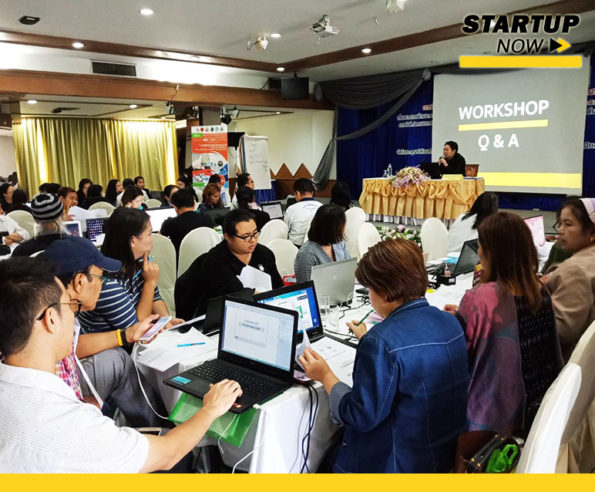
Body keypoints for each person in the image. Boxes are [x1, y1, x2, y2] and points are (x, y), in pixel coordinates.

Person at [0, 256, 241, 472]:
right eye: (68, 306)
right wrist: (211, 408)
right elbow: (167, 455)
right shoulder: (71, 427)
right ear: (51, 319)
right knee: (182, 459)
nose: (74, 316)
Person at [298, 239, 468, 473]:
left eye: (369, 289)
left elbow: (360, 416)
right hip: (441, 453)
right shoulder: (450, 322)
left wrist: (325, 375)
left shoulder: (380, 342)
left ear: (385, 292)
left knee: (313, 459)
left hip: (393, 463)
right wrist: (369, 340)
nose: (369, 295)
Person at [448, 212, 562, 435]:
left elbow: (459, 357)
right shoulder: (539, 290)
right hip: (540, 409)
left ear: (491, 252)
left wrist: (454, 323)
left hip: (494, 417)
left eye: (481, 246)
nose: (478, 252)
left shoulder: (480, 298)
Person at [44, 236, 169, 426]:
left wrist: (125, 335)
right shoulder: (52, 323)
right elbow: (51, 399)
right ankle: (160, 431)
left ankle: (156, 426)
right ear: (79, 282)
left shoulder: (59, 307)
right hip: (60, 413)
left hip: (61, 396)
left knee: (116, 358)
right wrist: (81, 406)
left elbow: (74, 347)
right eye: (100, 277)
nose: (103, 284)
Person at [78, 207, 182, 334]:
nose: (152, 239)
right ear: (133, 241)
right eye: (149, 234)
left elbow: (155, 298)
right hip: (110, 345)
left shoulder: (138, 262)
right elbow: (136, 328)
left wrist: (166, 322)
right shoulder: (106, 284)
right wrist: (150, 283)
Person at [175, 209, 283, 319]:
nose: (252, 240)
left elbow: (278, 287)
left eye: (255, 233)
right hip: (219, 316)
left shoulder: (264, 253)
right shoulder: (215, 261)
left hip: (258, 312)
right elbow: (239, 296)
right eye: (245, 236)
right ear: (228, 237)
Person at [544, 197, 595, 360]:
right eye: (559, 223)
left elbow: (562, 331)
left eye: (568, 224)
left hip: (566, 363)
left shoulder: (576, 270)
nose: (560, 230)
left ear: (591, 231)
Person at [294, 204, 349, 283]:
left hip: (340, 287)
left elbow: (348, 268)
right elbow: (305, 286)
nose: (344, 227)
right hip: (319, 291)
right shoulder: (307, 254)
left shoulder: (339, 243)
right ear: (334, 229)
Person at [160, 188, 215, 256]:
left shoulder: (170, 223)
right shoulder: (207, 219)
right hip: (205, 258)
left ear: (175, 207)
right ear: (194, 204)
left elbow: (162, 239)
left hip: (181, 260)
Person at [284, 178, 322, 247]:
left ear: (297, 193)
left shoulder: (291, 209)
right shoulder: (322, 207)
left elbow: (285, 230)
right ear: (312, 192)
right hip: (317, 247)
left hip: (296, 247)